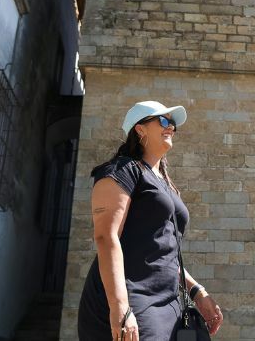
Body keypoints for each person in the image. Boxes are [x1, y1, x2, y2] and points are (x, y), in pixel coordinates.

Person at [77, 101, 224, 341]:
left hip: (168, 302)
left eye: (173, 124)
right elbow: (106, 237)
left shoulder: (165, 183)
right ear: (140, 129)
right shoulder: (121, 170)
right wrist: (120, 307)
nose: (171, 128)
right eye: (164, 121)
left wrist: (197, 292)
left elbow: (163, 251)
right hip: (131, 296)